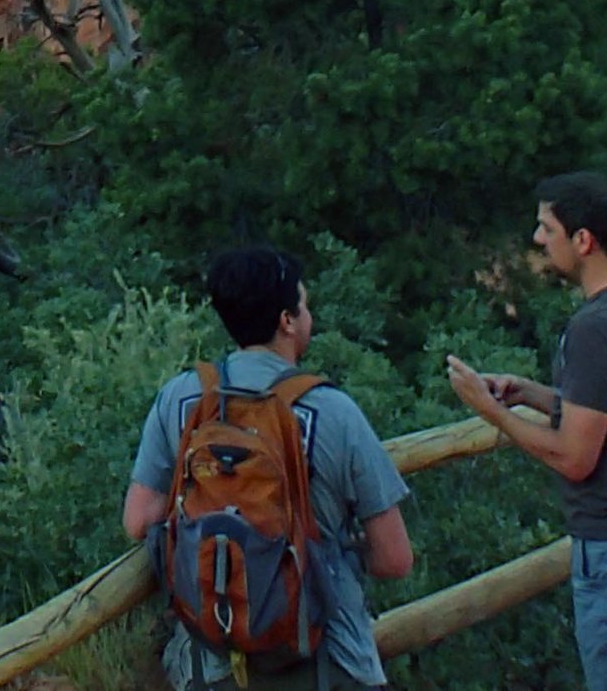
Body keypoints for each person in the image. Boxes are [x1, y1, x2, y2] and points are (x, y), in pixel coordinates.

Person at [446, 171, 607, 691]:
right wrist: (532, 394)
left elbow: (575, 457)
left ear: (584, 240)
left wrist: (489, 411)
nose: (538, 240)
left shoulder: (597, 326)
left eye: (547, 228)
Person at [125, 246, 413, 690]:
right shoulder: (333, 411)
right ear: (287, 321)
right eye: (305, 303)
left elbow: (139, 520)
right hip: (325, 660)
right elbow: (394, 558)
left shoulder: (181, 399)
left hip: (210, 657)